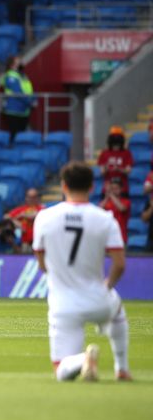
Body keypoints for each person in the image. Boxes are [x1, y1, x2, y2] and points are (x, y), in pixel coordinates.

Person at [32, 161, 132, 382]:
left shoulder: (45, 217)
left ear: (63, 186)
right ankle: (122, 368)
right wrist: (107, 286)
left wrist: (57, 276)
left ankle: (83, 359)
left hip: (63, 305)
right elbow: (120, 264)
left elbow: (41, 262)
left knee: (61, 372)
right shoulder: (105, 219)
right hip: (98, 299)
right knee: (117, 313)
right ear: (92, 187)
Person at [2, 56, 34, 146]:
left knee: (22, 138)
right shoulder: (10, 75)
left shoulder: (23, 75)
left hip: (24, 110)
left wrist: (34, 99)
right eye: (18, 61)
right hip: (14, 110)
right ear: (12, 65)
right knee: (14, 137)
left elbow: (29, 90)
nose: (21, 62)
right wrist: (30, 102)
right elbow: (18, 92)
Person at [5, 188, 44, 253]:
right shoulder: (21, 209)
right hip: (24, 240)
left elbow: (36, 215)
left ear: (37, 198)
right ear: (26, 198)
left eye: (34, 197)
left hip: (38, 241)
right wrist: (16, 222)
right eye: (30, 197)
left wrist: (23, 215)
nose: (32, 199)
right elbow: (6, 217)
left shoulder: (41, 208)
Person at [97, 127, 133, 196]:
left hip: (122, 188)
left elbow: (128, 171)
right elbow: (102, 172)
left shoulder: (127, 153)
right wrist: (106, 169)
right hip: (107, 188)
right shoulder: (104, 153)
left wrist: (119, 169)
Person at [100, 178, 131, 245]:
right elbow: (99, 210)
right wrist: (106, 198)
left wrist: (111, 195)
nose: (114, 190)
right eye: (112, 188)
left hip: (121, 237)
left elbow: (122, 208)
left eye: (116, 188)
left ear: (121, 189)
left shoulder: (126, 201)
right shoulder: (106, 201)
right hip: (106, 236)